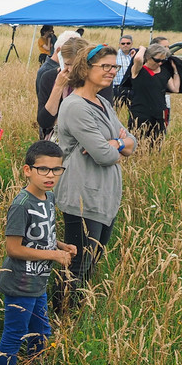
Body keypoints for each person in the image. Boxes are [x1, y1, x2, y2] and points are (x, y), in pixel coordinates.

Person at [52, 44, 136, 313]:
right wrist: (114, 146)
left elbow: (132, 142)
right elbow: (104, 156)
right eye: (106, 66)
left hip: (104, 196)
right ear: (86, 68)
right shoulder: (75, 106)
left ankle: (73, 314)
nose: (112, 71)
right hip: (82, 196)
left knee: (92, 261)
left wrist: (116, 144)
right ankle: (62, 316)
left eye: (115, 67)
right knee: (78, 263)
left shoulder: (103, 103)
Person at [0, 141, 77, 365]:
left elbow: (42, 235)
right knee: (14, 334)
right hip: (20, 283)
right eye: (43, 169)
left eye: (56, 169)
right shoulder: (22, 204)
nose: (50, 175)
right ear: (27, 170)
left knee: (41, 332)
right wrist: (53, 255)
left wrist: (61, 246)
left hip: (39, 281)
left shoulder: (48, 197)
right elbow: (14, 248)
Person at [35, 32, 88, 141]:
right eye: (67, 64)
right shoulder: (49, 77)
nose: (72, 70)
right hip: (58, 141)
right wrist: (58, 86)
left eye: (78, 65)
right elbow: (44, 121)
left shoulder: (95, 79)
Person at [127, 43, 179, 140]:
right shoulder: (138, 70)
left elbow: (175, 89)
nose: (160, 63)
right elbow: (138, 59)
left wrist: (175, 71)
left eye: (163, 61)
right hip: (140, 115)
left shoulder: (164, 72)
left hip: (159, 115)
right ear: (147, 57)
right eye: (157, 60)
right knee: (138, 144)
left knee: (156, 145)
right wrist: (142, 48)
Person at [113, 35, 135, 101]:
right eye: (123, 43)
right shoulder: (114, 55)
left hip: (131, 88)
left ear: (131, 44)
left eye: (128, 43)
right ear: (119, 44)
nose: (125, 45)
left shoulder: (135, 56)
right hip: (117, 87)